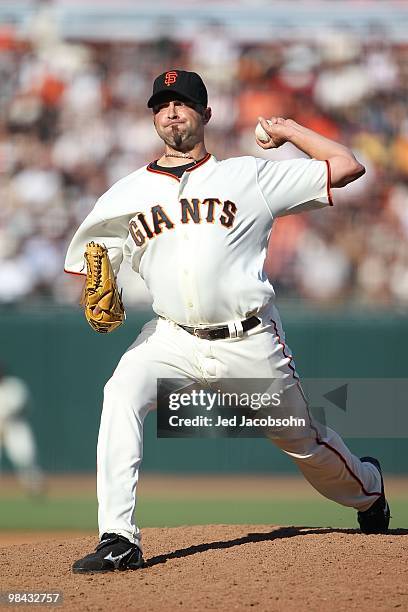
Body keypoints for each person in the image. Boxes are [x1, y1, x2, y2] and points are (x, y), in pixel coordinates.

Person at [65, 70, 390, 574]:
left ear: (206, 115)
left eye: (183, 103)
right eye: (162, 104)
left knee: (302, 443)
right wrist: (96, 277)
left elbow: (346, 166)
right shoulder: (123, 194)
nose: (172, 112)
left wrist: (288, 130)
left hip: (249, 340)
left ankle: (369, 492)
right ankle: (118, 537)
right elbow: (91, 261)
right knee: (120, 393)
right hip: (170, 336)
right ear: (153, 116)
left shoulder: (249, 176)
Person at [0, 365, 45, 495]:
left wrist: (8, 416)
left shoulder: (13, 386)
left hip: (15, 426)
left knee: (25, 457)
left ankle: (34, 486)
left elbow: (23, 406)